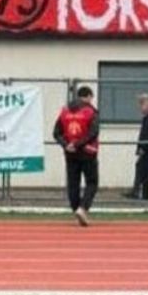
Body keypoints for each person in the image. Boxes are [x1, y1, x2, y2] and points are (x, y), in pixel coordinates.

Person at [53, 85, 100, 226]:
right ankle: (83, 208)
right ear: (88, 96)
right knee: (92, 182)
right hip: (88, 151)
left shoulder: (65, 111)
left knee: (73, 183)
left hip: (70, 152)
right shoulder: (91, 112)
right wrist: (79, 144)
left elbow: (56, 133)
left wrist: (66, 144)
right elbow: (93, 132)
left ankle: (76, 209)